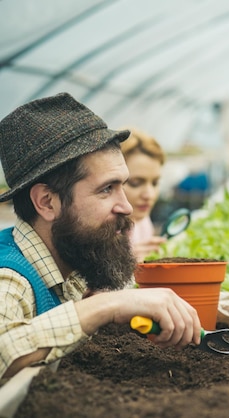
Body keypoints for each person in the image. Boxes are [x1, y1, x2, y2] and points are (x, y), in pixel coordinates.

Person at [0, 93, 202, 381]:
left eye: (122, 185)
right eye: (107, 189)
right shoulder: (10, 279)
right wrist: (108, 306)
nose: (127, 206)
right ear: (46, 202)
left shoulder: (71, 263)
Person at [120, 128, 167, 262]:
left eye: (155, 183)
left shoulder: (143, 222)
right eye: (135, 183)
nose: (149, 195)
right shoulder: (96, 233)